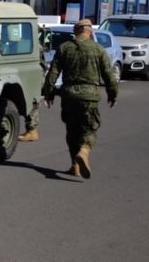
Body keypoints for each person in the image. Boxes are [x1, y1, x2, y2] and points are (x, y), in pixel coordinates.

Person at [43, 19, 118, 179]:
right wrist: (113, 94)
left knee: (72, 131)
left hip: (69, 95)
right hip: (89, 96)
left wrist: (48, 93)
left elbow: (53, 73)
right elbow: (109, 75)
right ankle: (84, 151)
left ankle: (74, 166)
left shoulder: (64, 48)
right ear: (90, 32)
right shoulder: (98, 49)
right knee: (90, 129)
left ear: (75, 32)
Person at [19, 29, 49, 142]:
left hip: (34, 76)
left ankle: (32, 131)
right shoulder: (29, 43)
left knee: (32, 102)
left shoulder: (33, 44)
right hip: (30, 75)